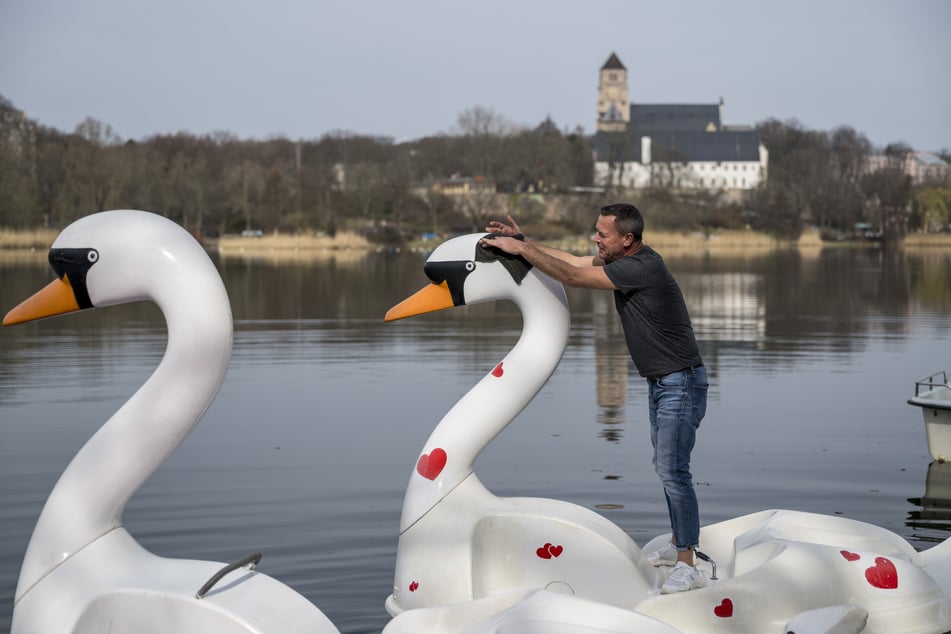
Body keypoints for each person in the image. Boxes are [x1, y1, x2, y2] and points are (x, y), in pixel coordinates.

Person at [480, 203, 708, 594]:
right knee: (667, 467)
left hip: (680, 384)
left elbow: (570, 275)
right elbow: (570, 259)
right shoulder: (626, 261)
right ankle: (678, 544)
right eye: (596, 232)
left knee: (673, 470)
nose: (595, 238)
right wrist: (524, 241)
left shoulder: (643, 268)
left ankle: (688, 562)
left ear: (627, 239)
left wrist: (521, 252)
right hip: (664, 383)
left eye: (602, 234)